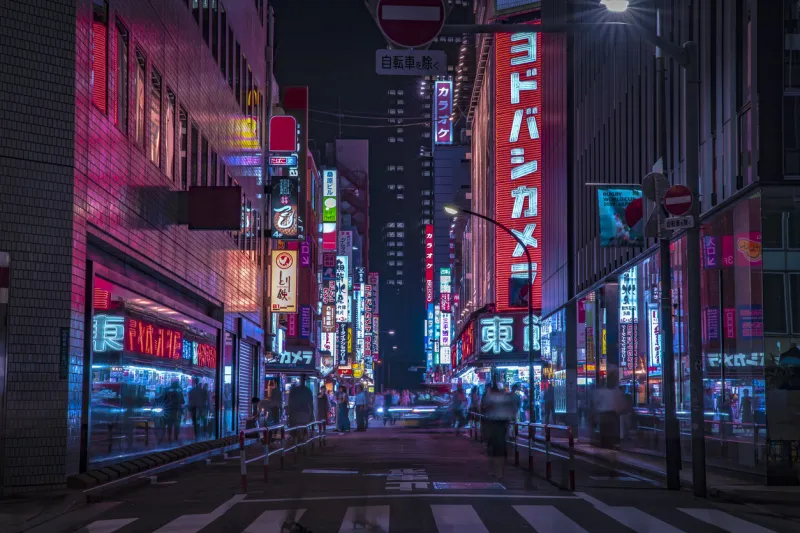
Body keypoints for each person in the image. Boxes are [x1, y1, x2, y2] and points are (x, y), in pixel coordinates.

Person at [482, 380, 515, 480]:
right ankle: (498, 471)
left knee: (494, 449)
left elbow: (484, 409)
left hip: (494, 424)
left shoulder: (489, 397)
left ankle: (495, 470)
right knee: (499, 449)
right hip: (500, 424)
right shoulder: (505, 397)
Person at [288, 375, 314, 441]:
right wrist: (311, 415)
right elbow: (311, 404)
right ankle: (303, 441)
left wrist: (290, 413)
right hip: (305, 414)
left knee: (294, 428)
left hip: (295, 414)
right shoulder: (308, 391)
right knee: (304, 427)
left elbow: (290, 403)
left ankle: (295, 441)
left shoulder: (294, 391)